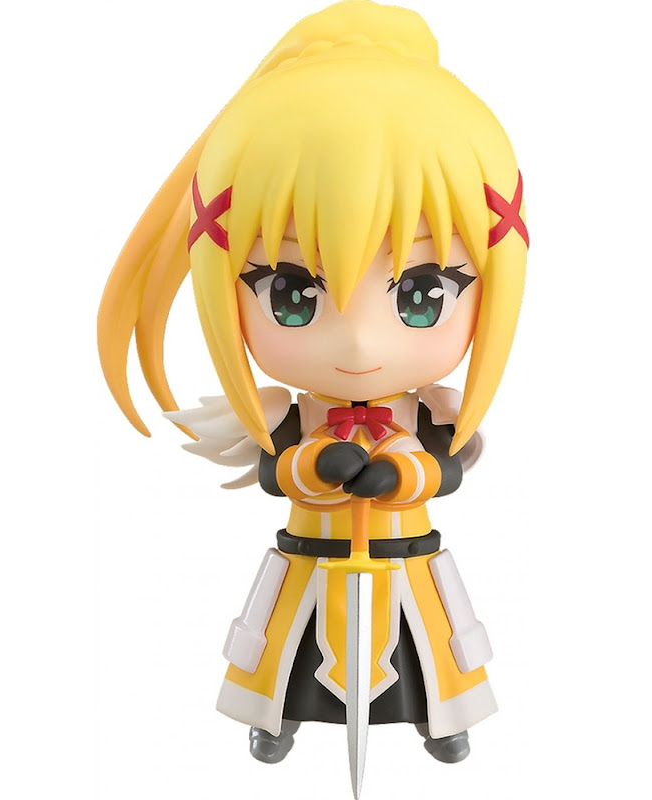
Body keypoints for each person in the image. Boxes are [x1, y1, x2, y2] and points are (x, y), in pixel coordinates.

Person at [98, 0, 527, 769]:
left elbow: (448, 468)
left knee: (430, 647)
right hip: (311, 557)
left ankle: (443, 719)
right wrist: (314, 463)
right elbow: (276, 470)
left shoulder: (433, 409)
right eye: (293, 294)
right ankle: (275, 719)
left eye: (421, 294)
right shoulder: (283, 411)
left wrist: (405, 474)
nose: (360, 341)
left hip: (406, 558)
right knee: (287, 649)